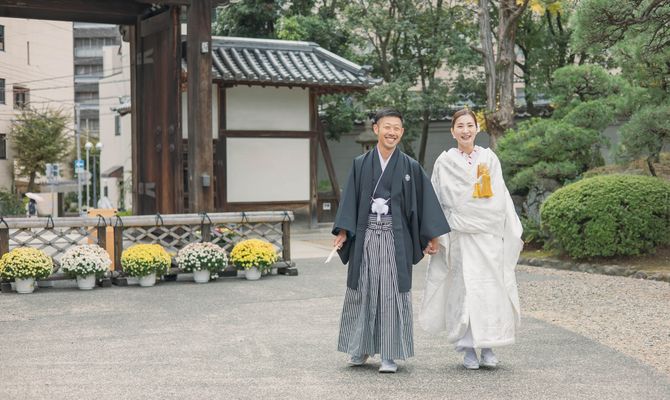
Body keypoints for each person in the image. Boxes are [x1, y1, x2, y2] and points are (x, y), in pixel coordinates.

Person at [332, 108, 451, 373]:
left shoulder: (410, 166)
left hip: (395, 238)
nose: (392, 132)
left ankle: (389, 353)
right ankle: (359, 348)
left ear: (402, 132)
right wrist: (343, 231)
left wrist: (432, 235)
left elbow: (424, 203)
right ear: (376, 129)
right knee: (363, 288)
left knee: (391, 292)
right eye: (387, 127)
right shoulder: (360, 164)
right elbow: (350, 200)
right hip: (366, 236)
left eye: (397, 128)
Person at [419, 108, 523, 370]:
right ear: (452, 131)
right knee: (463, 289)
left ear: (477, 129)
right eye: (460, 126)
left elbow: (499, 199)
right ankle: (467, 347)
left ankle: (488, 345)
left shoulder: (489, 158)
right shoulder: (445, 162)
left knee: (489, 289)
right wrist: (435, 233)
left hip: (487, 236)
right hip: (460, 237)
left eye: (470, 125)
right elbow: (439, 200)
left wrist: (478, 214)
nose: (465, 130)